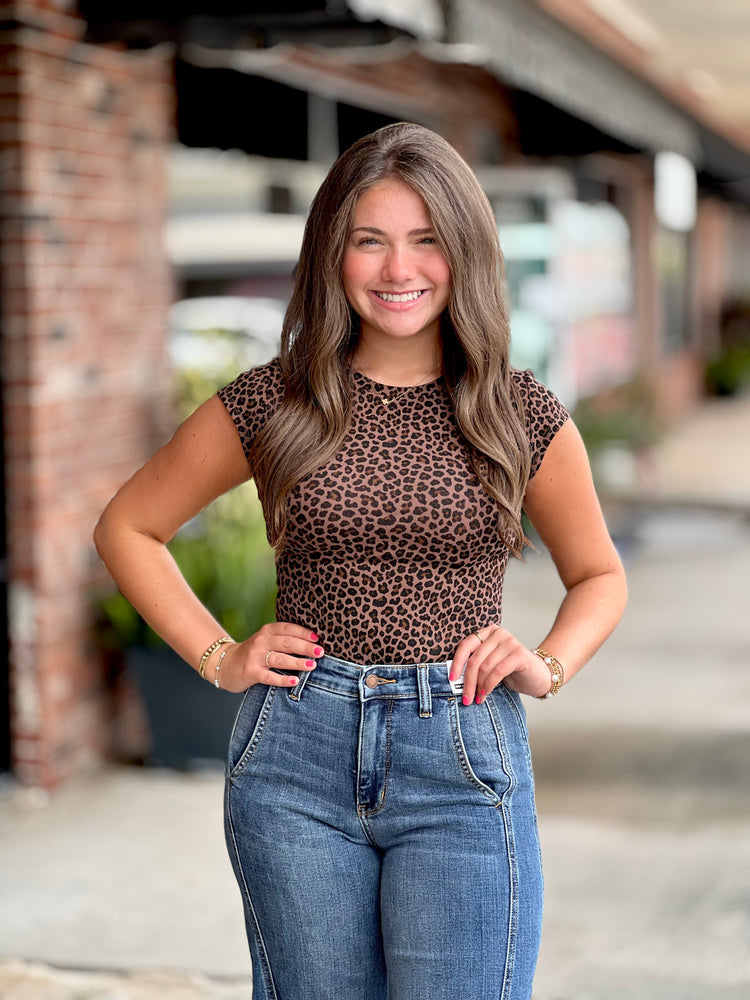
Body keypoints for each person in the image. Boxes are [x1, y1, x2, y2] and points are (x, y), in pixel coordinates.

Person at [94, 122, 626, 1000]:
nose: (397, 269)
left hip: (460, 756)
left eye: (426, 241)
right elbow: (128, 527)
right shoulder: (277, 401)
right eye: (368, 241)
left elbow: (600, 575)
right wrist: (218, 655)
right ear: (331, 255)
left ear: (465, 254)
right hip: (295, 757)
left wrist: (549, 663)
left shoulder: (517, 413)